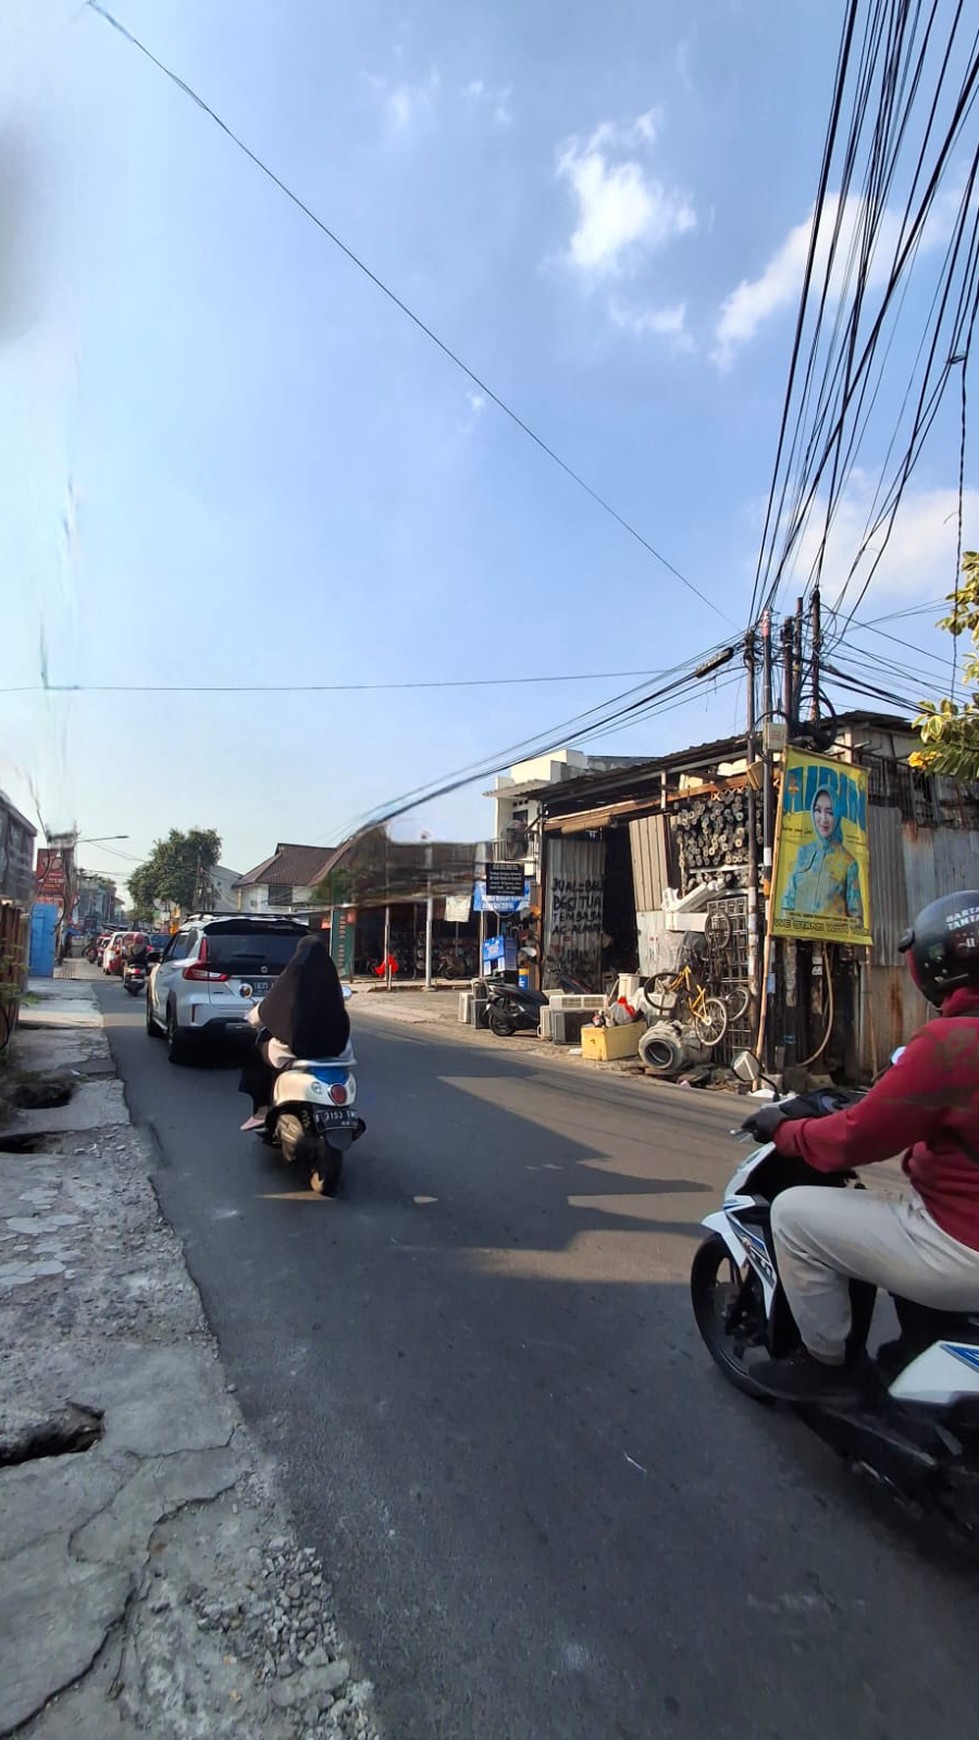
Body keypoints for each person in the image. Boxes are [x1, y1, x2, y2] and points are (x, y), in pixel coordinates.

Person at [744, 890, 979, 1400]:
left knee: (794, 1215)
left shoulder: (949, 1045)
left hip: (961, 1246)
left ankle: (824, 1368)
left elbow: (854, 1139)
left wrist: (785, 1132)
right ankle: (916, 1343)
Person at [239, 934, 350, 1131]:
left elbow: (268, 1008)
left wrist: (252, 1018)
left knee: (258, 1053)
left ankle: (262, 1110)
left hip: (296, 1048)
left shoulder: (294, 976)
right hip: (336, 1049)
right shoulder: (330, 978)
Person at [779, 786, 863, 924]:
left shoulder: (848, 862)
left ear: (838, 815)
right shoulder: (802, 853)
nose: (823, 819)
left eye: (830, 812)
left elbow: (856, 917)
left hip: (833, 943)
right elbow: (787, 901)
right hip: (799, 941)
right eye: (818, 810)